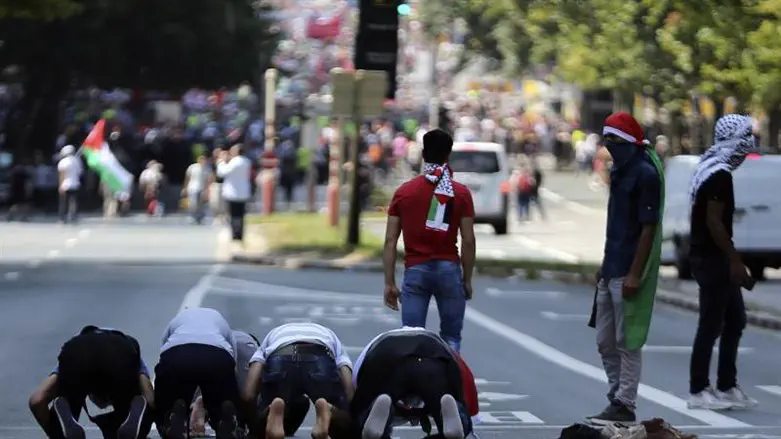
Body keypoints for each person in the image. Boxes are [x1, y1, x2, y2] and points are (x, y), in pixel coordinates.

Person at [587, 112, 664, 424]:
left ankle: (625, 401)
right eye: (606, 140)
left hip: (629, 270)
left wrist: (634, 273)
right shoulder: (619, 170)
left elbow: (647, 228)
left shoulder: (645, 174)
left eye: (615, 140)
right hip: (611, 267)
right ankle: (616, 394)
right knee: (605, 341)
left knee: (627, 340)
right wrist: (604, 266)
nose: (609, 146)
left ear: (630, 142)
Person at [686, 114, 758, 410]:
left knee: (736, 320)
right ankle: (698, 389)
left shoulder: (710, 167)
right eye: (746, 138)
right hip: (712, 258)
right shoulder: (719, 175)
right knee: (711, 324)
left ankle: (727, 385)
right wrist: (735, 261)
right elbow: (714, 223)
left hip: (712, 256)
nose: (749, 146)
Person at [382, 129, 476, 353]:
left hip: (415, 271)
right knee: (451, 337)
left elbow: (390, 241)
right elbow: (469, 239)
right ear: (448, 154)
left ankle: (416, 383)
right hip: (449, 270)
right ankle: (451, 383)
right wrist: (467, 279)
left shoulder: (404, 193)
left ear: (423, 154)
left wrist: (389, 283)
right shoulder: (460, 193)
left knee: (411, 337)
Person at [28, 325, 155, 439]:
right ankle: (136, 425)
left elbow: (37, 400)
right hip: (120, 354)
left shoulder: (73, 347)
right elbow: (150, 396)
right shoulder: (128, 345)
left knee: (68, 407)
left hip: (77, 356)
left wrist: (54, 434)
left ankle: (62, 428)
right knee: (132, 410)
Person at [351, 327, 472, 439]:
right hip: (433, 357)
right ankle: (450, 419)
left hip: (385, 357)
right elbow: (462, 379)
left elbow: (357, 383)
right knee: (454, 415)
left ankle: (374, 418)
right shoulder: (444, 347)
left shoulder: (376, 344)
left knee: (362, 419)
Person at [242, 322, 354, 439]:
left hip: (281, 354)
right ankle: (329, 410)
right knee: (344, 423)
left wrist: (255, 424)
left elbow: (248, 392)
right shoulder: (329, 334)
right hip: (319, 353)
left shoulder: (274, 334)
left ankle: (272, 413)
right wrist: (344, 408)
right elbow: (345, 374)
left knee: (261, 425)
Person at [155, 307, 240, 439]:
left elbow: (163, 353)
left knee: (168, 396)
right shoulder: (219, 318)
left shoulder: (178, 318)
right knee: (221, 398)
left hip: (178, 354)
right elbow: (233, 360)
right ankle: (223, 419)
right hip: (217, 355)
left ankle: (171, 417)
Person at [189, 330, 260, 436]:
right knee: (249, 395)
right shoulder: (254, 345)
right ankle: (238, 425)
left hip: (214, 347)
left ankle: (202, 406)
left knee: (209, 389)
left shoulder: (221, 332)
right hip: (247, 348)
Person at [217, 144, 252, 243]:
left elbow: (222, 172)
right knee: (241, 215)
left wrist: (221, 162)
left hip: (233, 192)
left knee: (234, 215)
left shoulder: (235, 162)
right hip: (243, 192)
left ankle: (235, 235)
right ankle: (240, 234)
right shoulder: (247, 161)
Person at [57, 145, 83, 224]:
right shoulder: (77, 161)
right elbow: (80, 172)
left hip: (65, 184)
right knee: (73, 201)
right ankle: (73, 216)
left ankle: (62, 217)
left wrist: (60, 185)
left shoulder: (63, 162)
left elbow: (62, 174)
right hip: (75, 184)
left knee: (64, 202)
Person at [183, 155, 211, 224]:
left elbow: (208, 180)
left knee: (201, 204)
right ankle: (192, 216)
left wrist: (207, 190)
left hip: (202, 188)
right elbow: (187, 178)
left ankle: (200, 217)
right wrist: (185, 188)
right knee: (193, 203)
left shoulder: (207, 168)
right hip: (192, 187)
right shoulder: (192, 167)